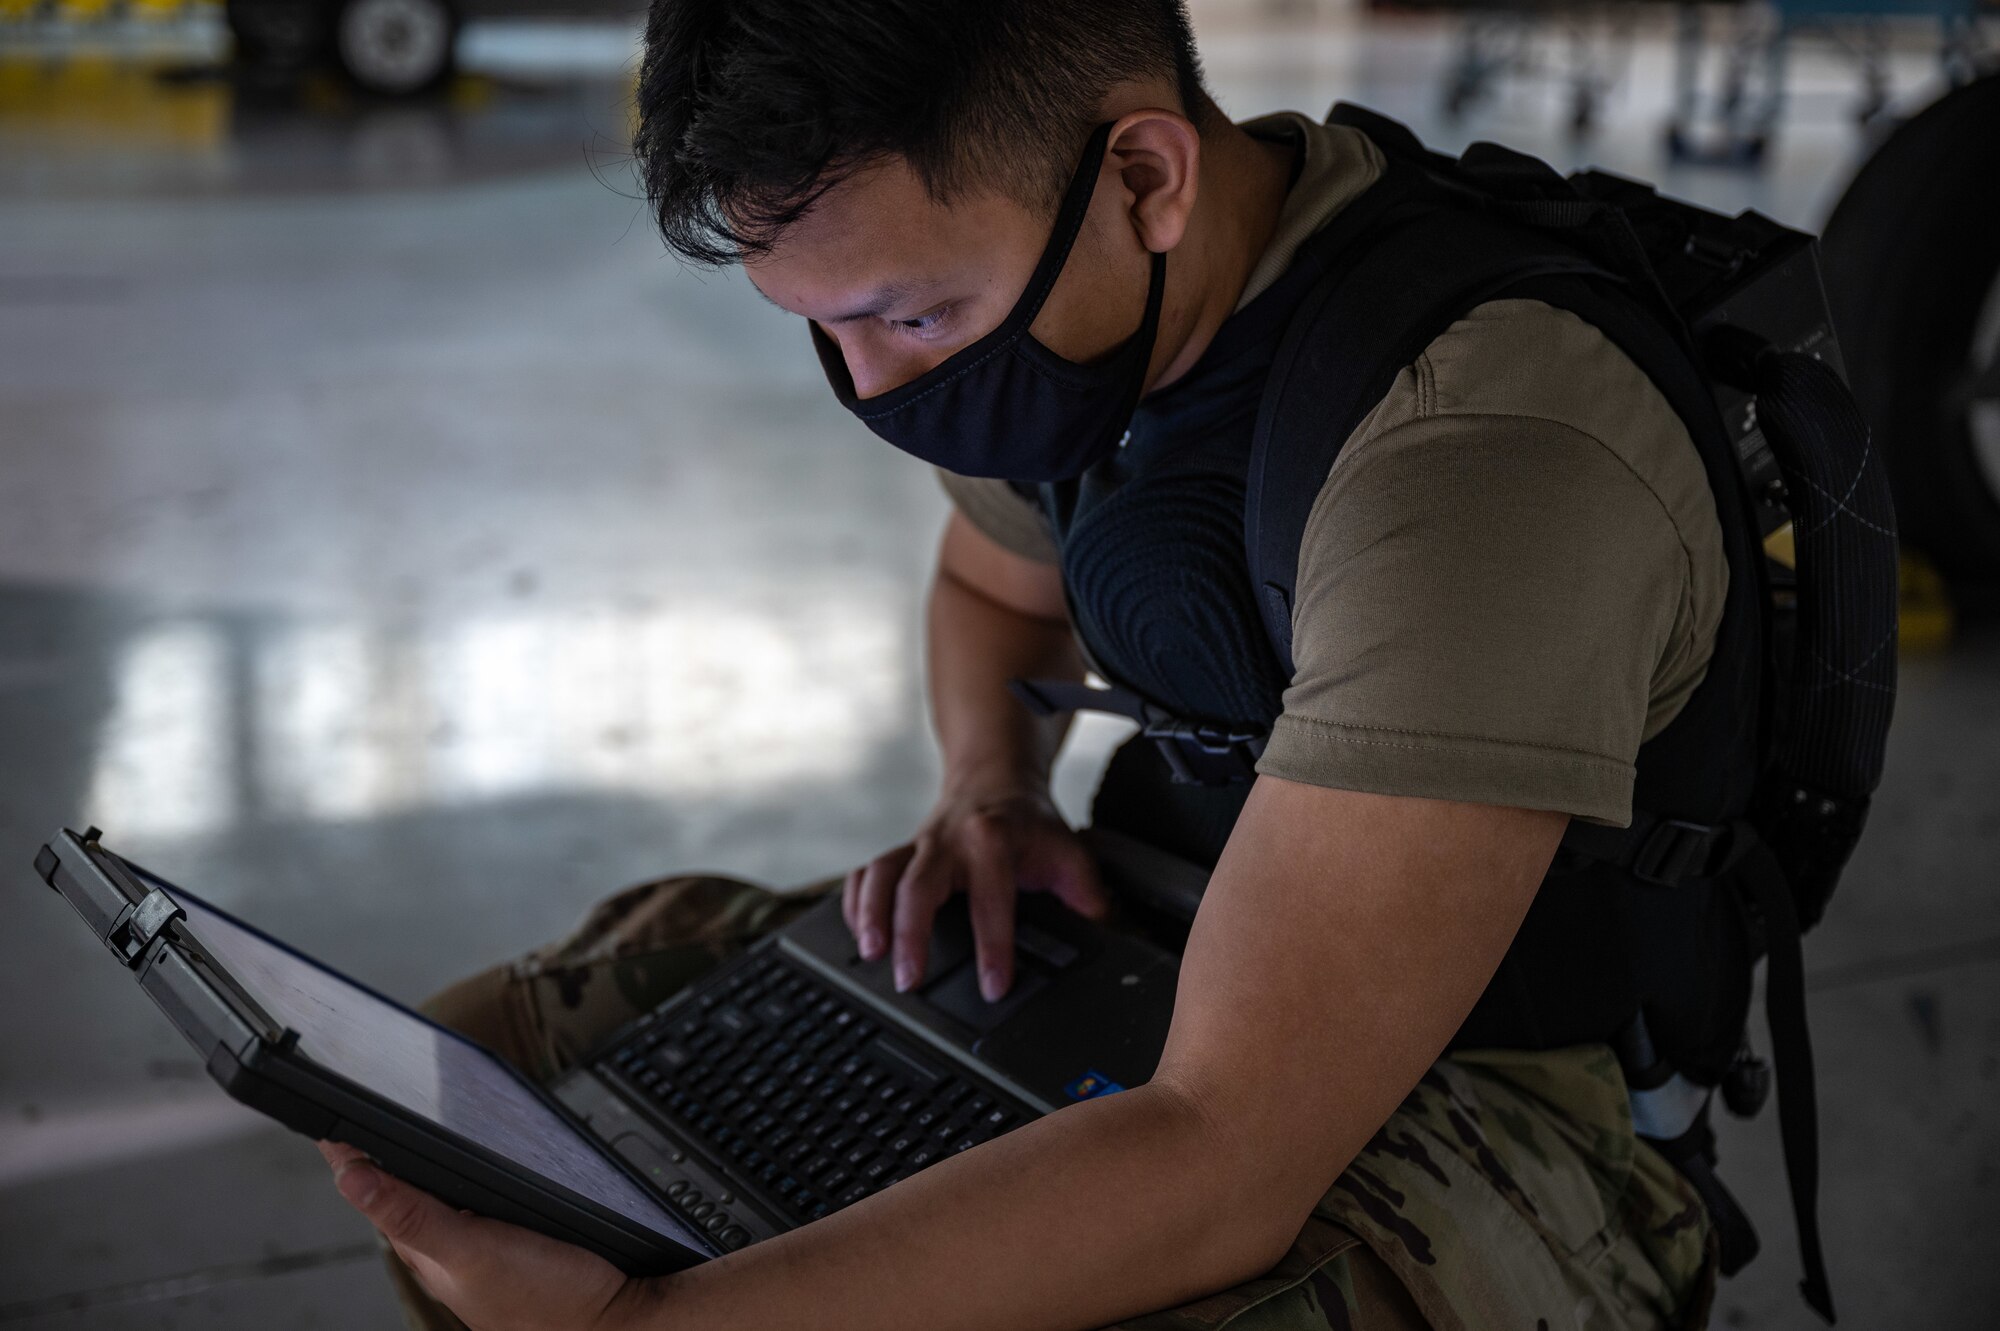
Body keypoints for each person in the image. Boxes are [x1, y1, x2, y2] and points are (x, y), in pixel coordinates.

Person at [320, 2, 1736, 1327]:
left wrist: (657, 1324)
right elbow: (994, 584)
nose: (874, 387)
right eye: (823, 327)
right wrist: (990, 792)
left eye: (913, 314)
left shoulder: (1482, 460)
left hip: (1503, 1075)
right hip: (1150, 931)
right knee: (470, 1085)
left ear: (1144, 176)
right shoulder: (1119, 310)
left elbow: (1221, 1152)